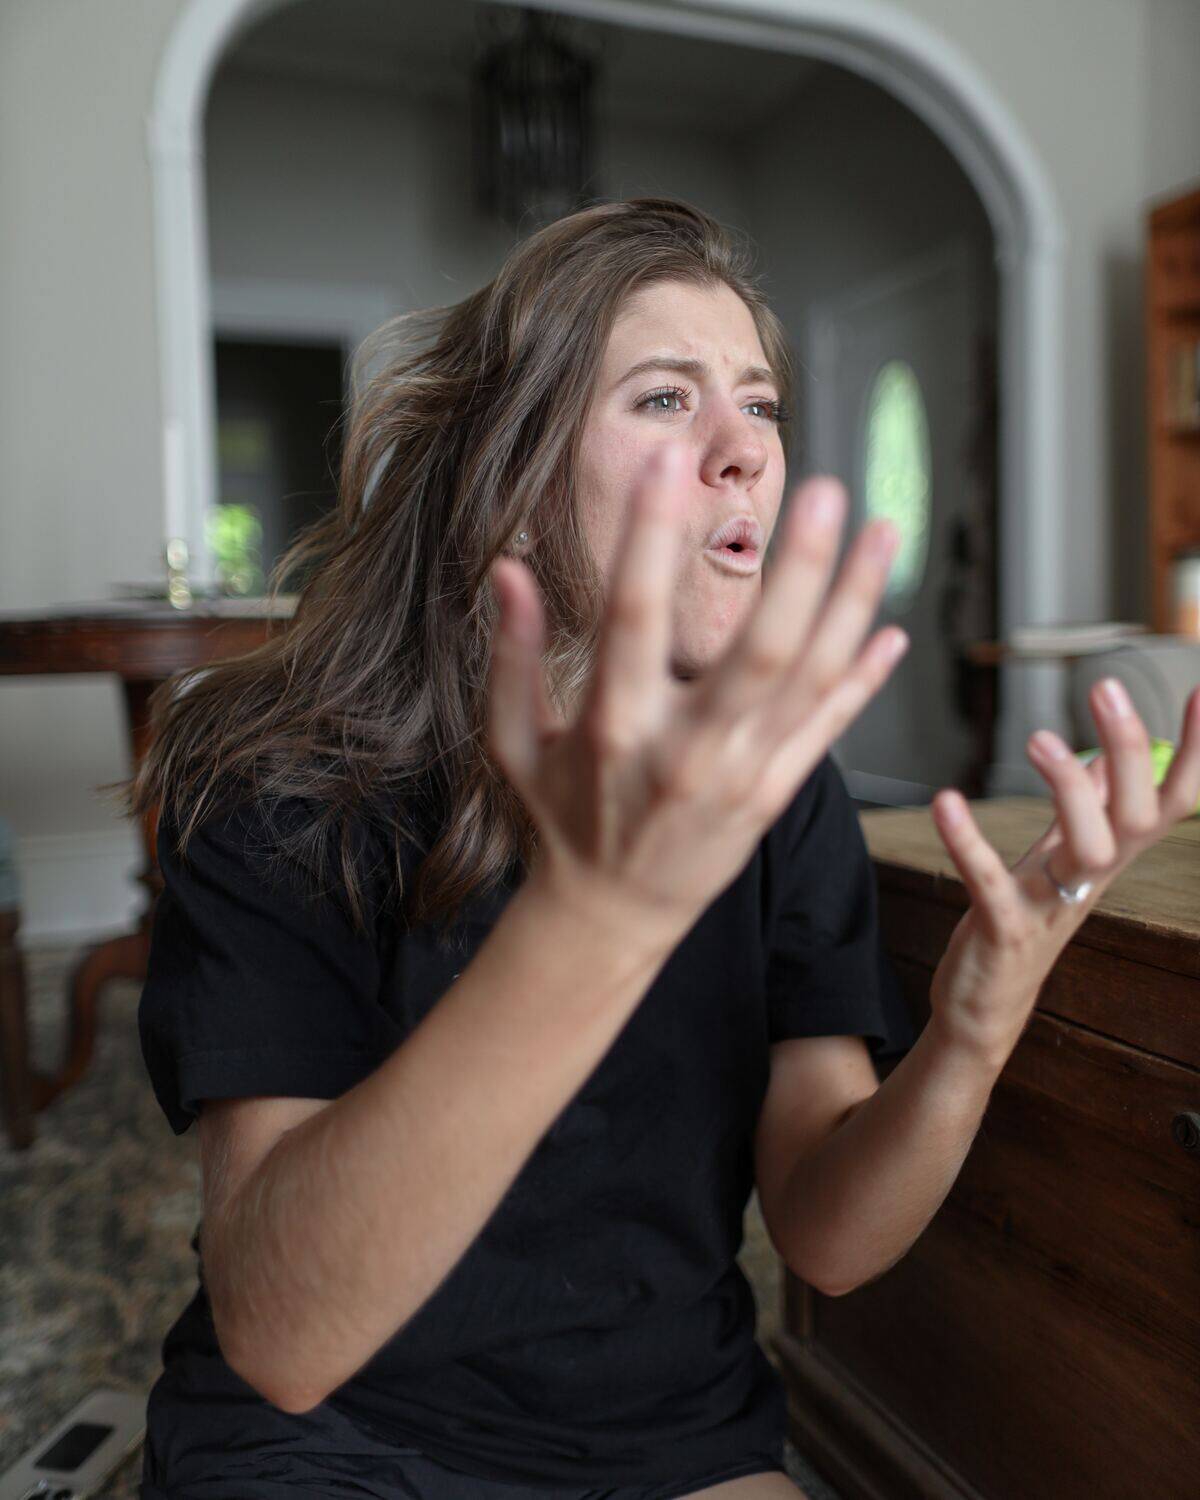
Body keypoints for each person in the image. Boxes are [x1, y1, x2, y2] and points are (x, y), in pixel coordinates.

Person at [117, 197, 1200, 1500]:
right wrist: (596, 922)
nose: (745, 448)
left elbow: (829, 1240)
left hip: (660, 1449)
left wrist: (976, 1025)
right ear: (508, 481)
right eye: (666, 401)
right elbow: (284, 1340)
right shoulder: (283, 780)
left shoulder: (787, 799)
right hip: (330, 1446)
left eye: (761, 404)